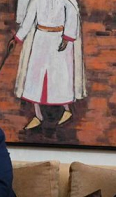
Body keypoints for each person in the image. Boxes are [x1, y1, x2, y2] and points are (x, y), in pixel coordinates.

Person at [10, 0, 87, 130]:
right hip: (40, 40)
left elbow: (72, 15)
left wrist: (67, 38)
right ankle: (38, 115)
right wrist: (16, 39)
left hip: (59, 40)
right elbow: (29, 19)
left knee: (60, 78)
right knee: (35, 78)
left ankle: (66, 110)